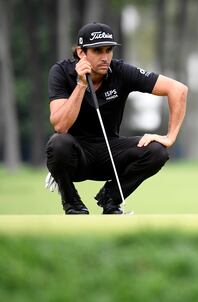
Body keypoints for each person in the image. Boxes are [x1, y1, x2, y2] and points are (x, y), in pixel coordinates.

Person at [45, 22, 187, 214]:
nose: (105, 57)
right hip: (75, 157)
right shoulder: (61, 72)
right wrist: (80, 85)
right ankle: (71, 202)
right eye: (97, 51)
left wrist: (169, 137)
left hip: (110, 153)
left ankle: (110, 198)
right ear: (81, 53)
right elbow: (60, 126)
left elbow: (178, 90)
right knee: (58, 143)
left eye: (109, 50)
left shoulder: (120, 71)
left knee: (157, 151)